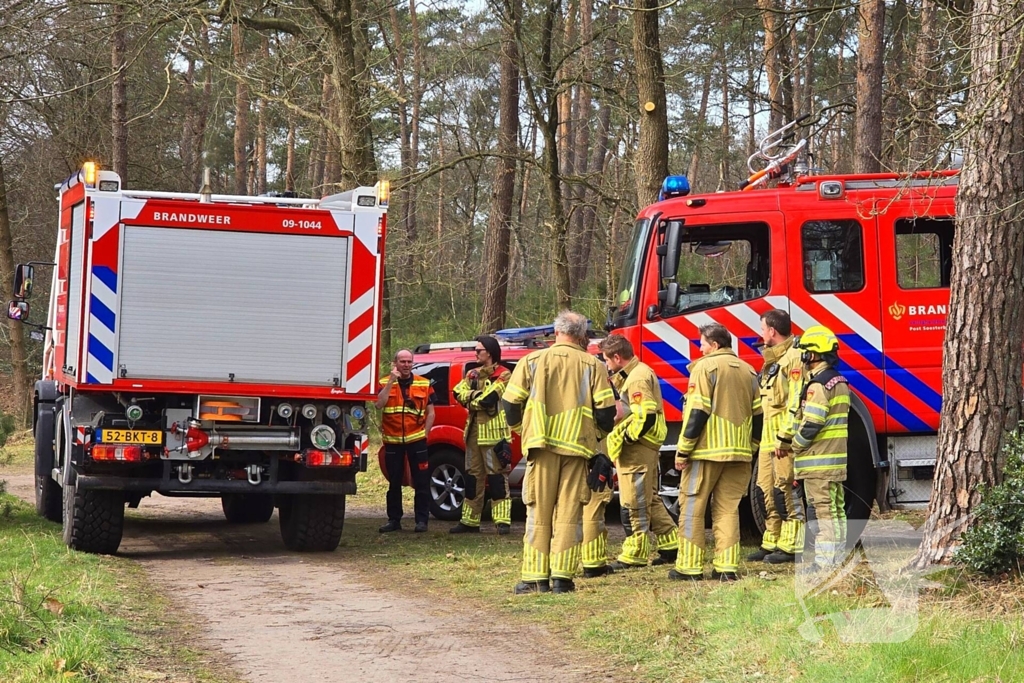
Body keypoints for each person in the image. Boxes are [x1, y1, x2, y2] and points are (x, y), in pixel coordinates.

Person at [502, 310, 617, 595]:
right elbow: (606, 413)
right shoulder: (594, 365)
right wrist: (595, 439)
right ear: (581, 337)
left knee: (538, 513)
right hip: (577, 450)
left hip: (540, 448)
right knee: (569, 515)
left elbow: (509, 404)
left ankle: (534, 578)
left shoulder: (531, 361)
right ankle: (562, 579)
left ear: (556, 333)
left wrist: (523, 430)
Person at [580, 335, 678, 577]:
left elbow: (647, 415)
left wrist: (627, 438)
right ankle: (671, 544)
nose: (606, 365)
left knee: (633, 503)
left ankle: (635, 554)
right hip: (641, 447)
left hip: (637, 449)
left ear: (617, 357)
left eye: (606, 360)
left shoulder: (636, 378)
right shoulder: (635, 374)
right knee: (649, 498)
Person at [671, 323, 761, 582]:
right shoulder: (749, 371)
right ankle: (726, 567)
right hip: (740, 454)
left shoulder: (704, 368)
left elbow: (697, 412)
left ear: (715, 345)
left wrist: (683, 450)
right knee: (728, 509)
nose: (700, 349)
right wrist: (751, 448)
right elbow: (759, 417)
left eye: (702, 344)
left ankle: (689, 567)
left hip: (706, 452)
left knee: (692, 507)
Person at [775, 325, 849, 571]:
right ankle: (836, 557)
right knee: (836, 510)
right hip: (835, 460)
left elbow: (812, 424)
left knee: (823, 512)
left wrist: (794, 446)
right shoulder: (839, 381)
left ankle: (825, 562)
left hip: (818, 462)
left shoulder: (818, 386)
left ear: (814, 355)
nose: (803, 358)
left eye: (805, 353)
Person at [748, 309, 806, 564]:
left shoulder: (793, 358)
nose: (760, 333)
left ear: (772, 331)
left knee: (785, 493)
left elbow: (795, 401)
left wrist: (785, 438)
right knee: (764, 491)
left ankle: (792, 545)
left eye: (762, 329)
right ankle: (772, 540)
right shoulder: (772, 361)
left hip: (783, 441)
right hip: (767, 441)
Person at [450, 335, 514, 535]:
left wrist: (470, 399)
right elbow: (457, 392)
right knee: (472, 477)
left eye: (479, 350)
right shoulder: (471, 374)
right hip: (473, 434)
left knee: (496, 478)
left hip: (495, 435)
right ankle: (469, 521)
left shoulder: (504, 375)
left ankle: (502, 521)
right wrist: (472, 398)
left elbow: (489, 399)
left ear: (490, 352)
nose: (475, 353)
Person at [376, 349, 435, 533]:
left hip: (417, 440)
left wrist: (424, 434)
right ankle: (394, 520)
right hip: (393, 441)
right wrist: (391, 382)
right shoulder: (384, 382)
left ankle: (421, 521)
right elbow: (379, 404)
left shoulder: (424, 384)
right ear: (395, 363)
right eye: (402, 361)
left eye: (409, 361)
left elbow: (431, 412)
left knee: (421, 481)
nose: (406, 365)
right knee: (394, 482)